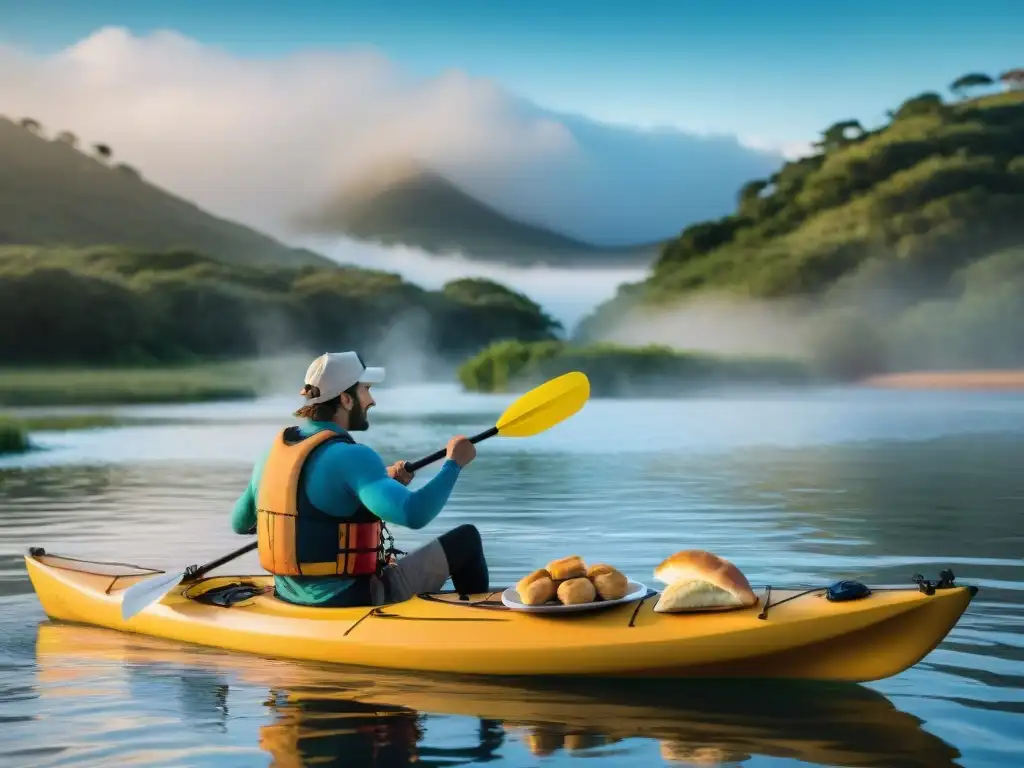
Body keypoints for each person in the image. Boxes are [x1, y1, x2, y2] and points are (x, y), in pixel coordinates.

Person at [230, 351, 489, 607]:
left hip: (288, 595)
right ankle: (483, 627)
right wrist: (454, 463)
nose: (372, 400)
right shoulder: (353, 457)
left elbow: (240, 523)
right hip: (349, 598)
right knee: (466, 540)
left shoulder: (272, 452)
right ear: (345, 399)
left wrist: (366, 487)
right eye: (365, 389)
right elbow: (414, 513)